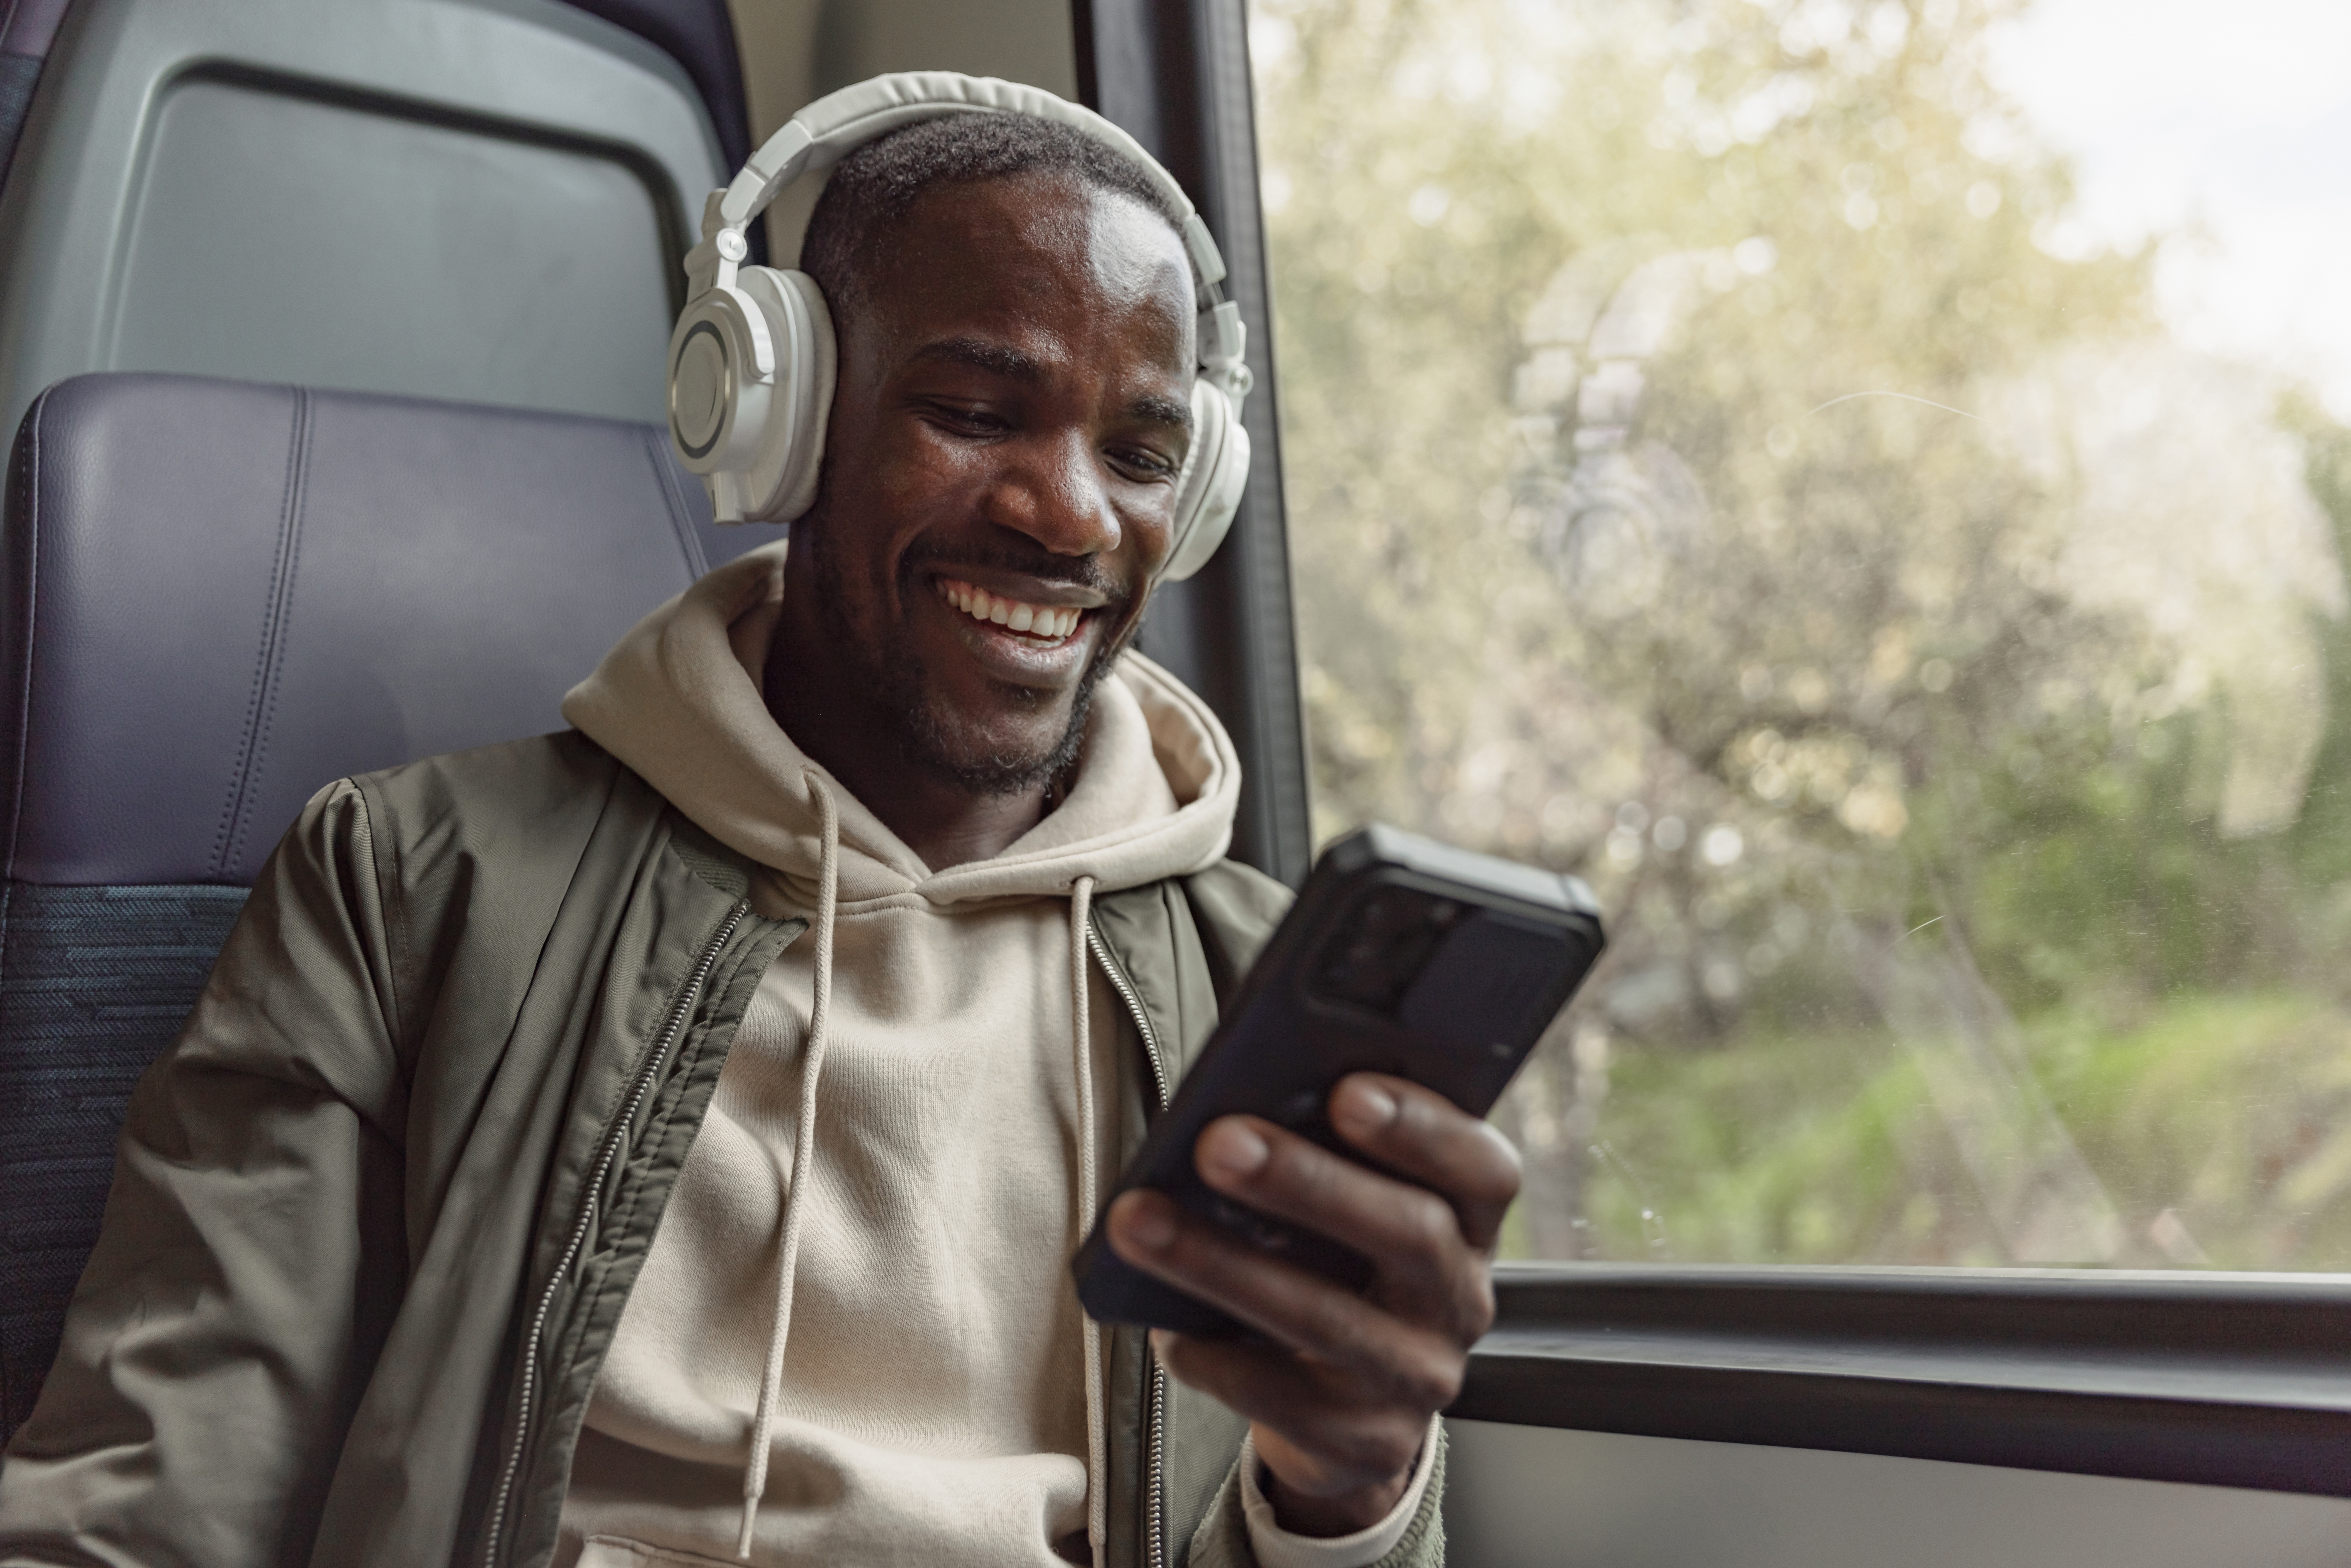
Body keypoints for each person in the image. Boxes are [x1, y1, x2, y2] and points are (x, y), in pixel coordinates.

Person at [0, 90, 1518, 1568]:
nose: (1067, 517)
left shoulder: (1262, 997)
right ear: (781, 418)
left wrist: (1350, 1490)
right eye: (978, 411)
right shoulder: (409, 883)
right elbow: (155, 1491)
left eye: (1136, 456)